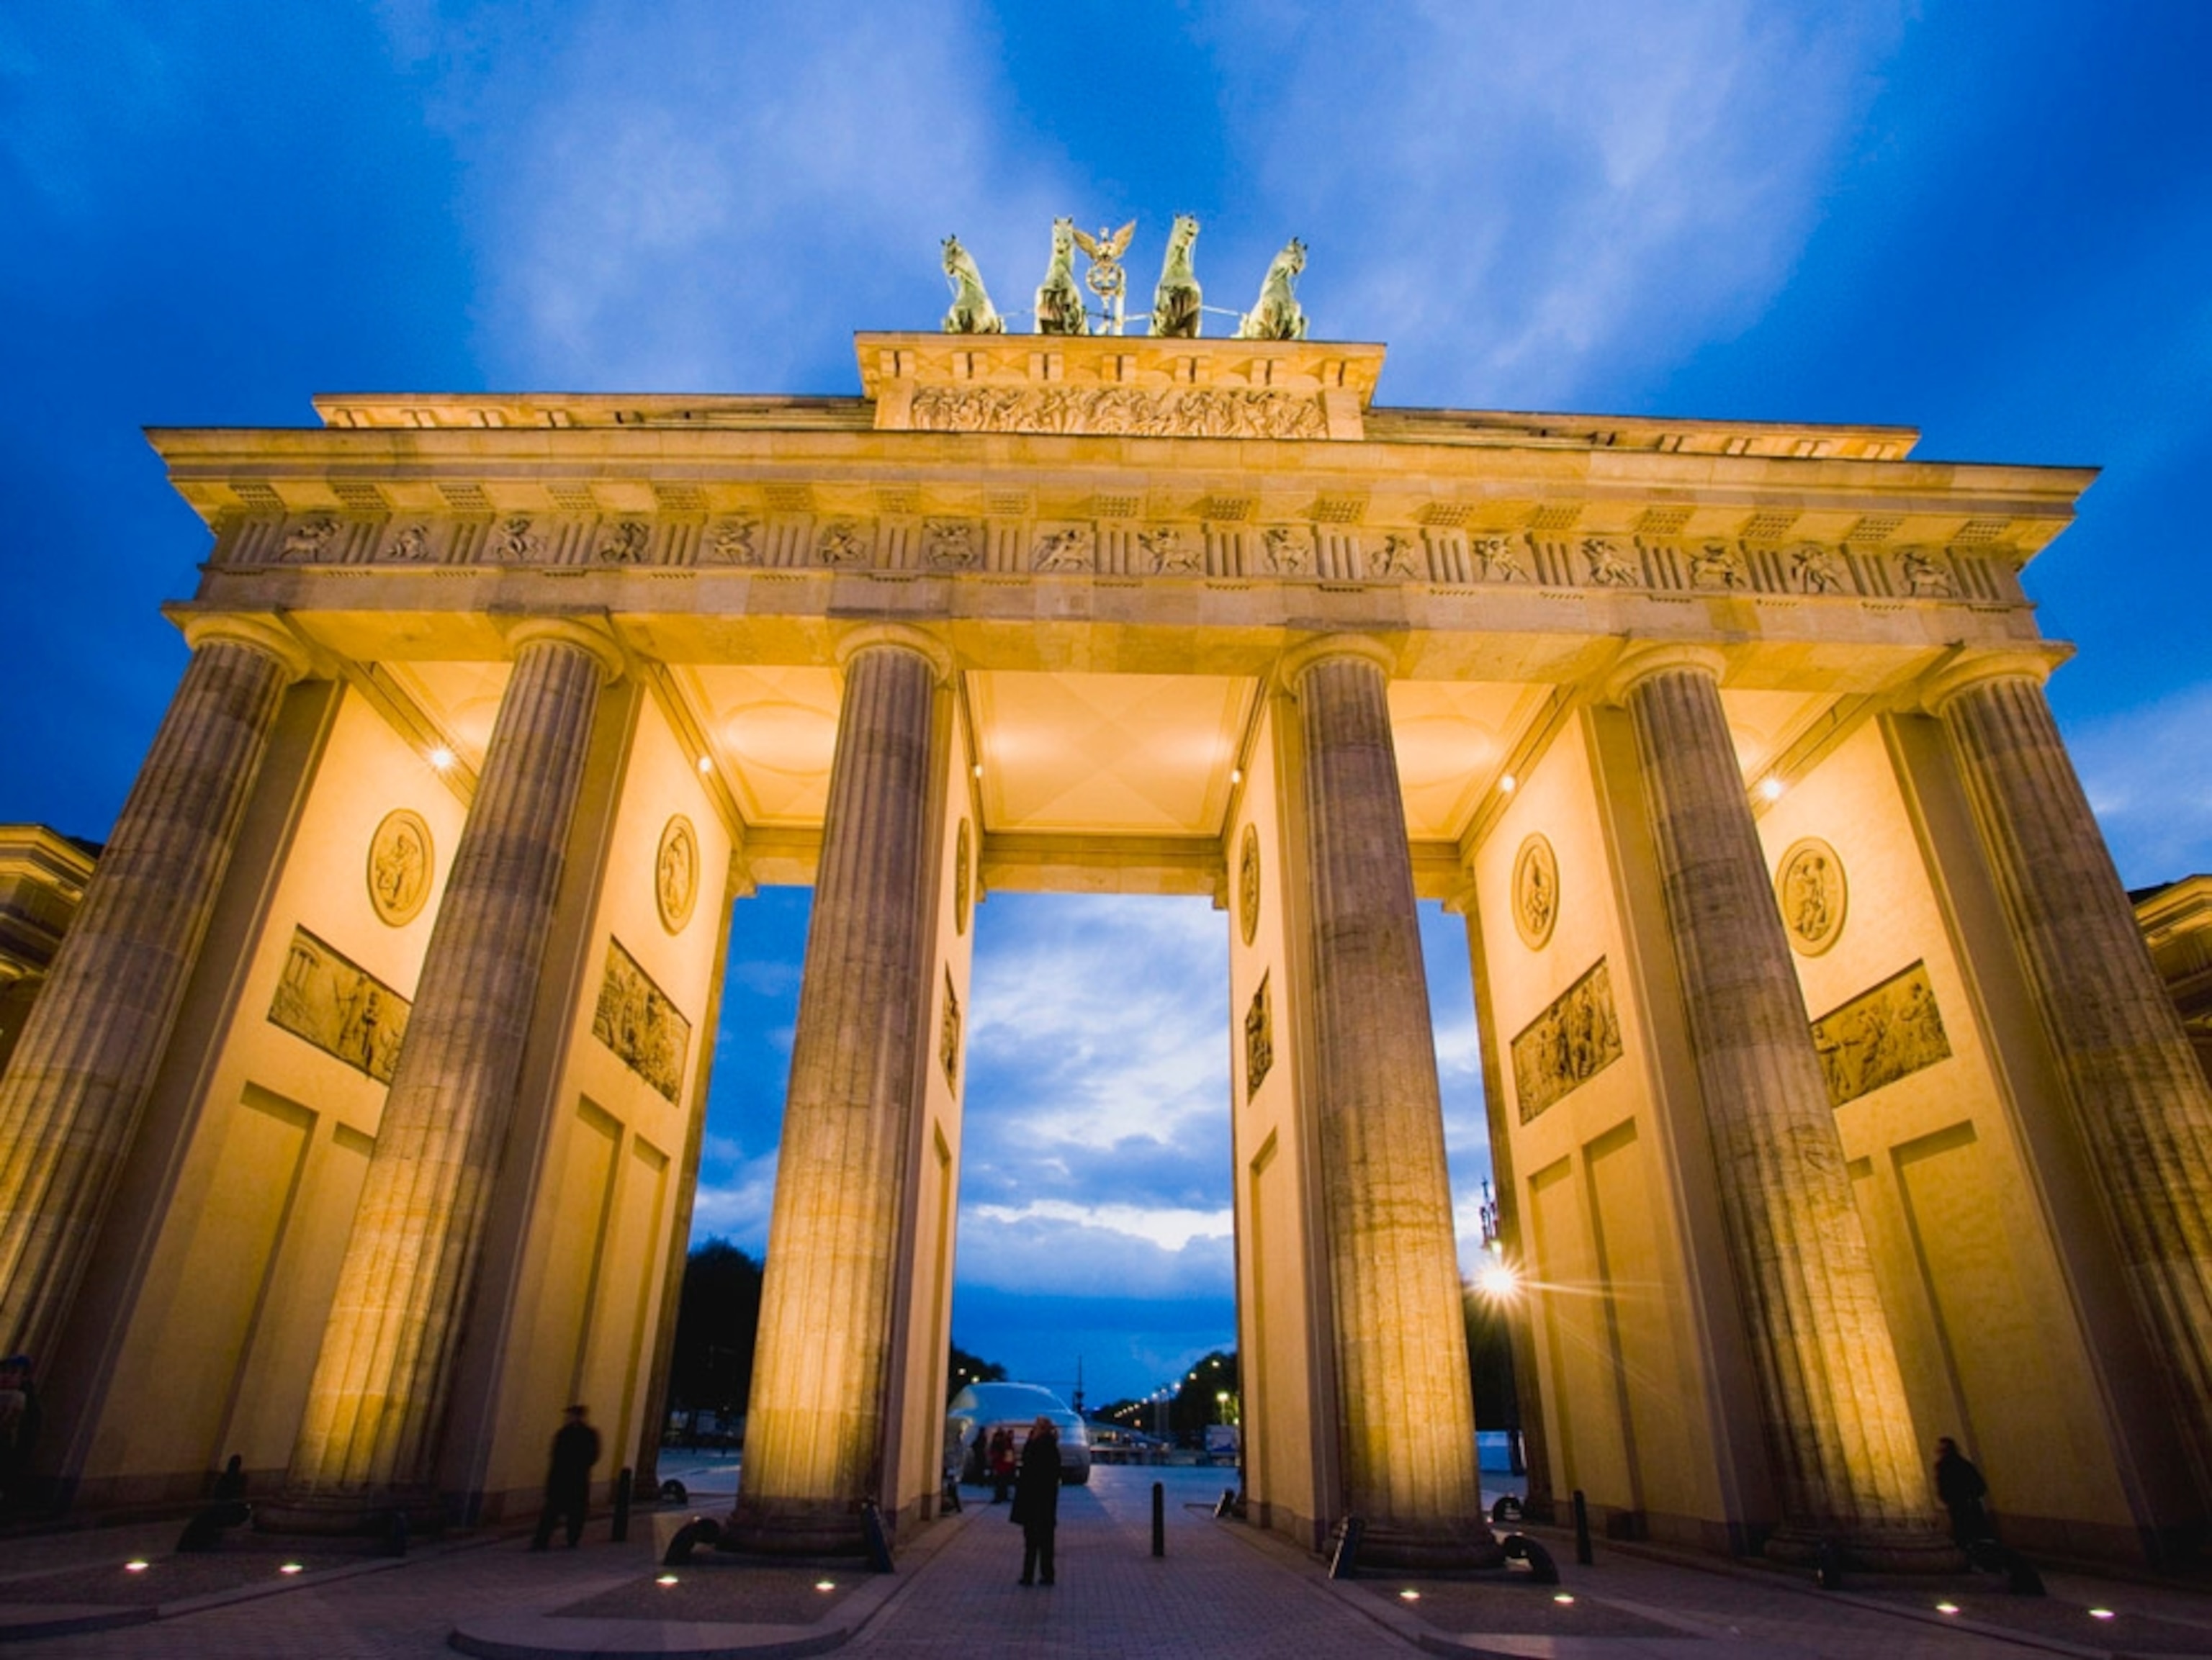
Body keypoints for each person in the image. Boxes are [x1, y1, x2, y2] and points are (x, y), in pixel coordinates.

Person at [531, 1404, 601, 1550]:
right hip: (563, 1479)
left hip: (575, 1479)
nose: (568, 1418)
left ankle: (571, 1538)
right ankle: (542, 1540)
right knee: (553, 1511)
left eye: (571, 1415)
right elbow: (555, 1455)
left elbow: (592, 1456)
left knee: (573, 1513)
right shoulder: (564, 1433)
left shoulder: (586, 1434)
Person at [1010, 1415, 1061, 1587]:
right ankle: (1046, 1574)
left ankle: (1029, 1574)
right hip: (1045, 1503)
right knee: (1045, 1540)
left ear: (1041, 1428)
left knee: (1032, 1540)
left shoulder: (1040, 1446)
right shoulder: (1051, 1446)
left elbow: (1029, 1466)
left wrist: (1030, 1443)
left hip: (1035, 1501)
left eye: (1036, 1425)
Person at [1934, 1435, 1992, 1548]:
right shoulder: (1962, 1464)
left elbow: (1977, 1485)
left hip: (1962, 1505)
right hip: (1965, 1504)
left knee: (1968, 1536)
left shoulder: (1947, 1467)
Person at [989, 1426, 1016, 1504]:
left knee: (1000, 1482)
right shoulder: (1005, 1443)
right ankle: (1002, 1496)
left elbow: (994, 1453)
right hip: (1003, 1465)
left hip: (1000, 1465)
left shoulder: (999, 1444)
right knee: (1002, 1482)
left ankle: (999, 1497)